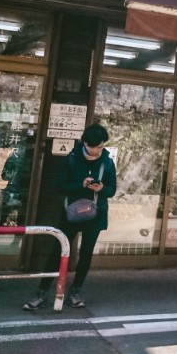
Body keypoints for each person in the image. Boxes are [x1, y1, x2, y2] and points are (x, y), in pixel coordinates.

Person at [23, 123, 117, 310]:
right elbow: (60, 186)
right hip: (71, 213)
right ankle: (41, 293)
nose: (99, 150)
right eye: (96, 147)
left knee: (86, 254)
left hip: (95, 214)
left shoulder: (107, 162)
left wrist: (101, 189)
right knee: (58, 251)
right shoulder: (73, 158)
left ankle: (75, 292)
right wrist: (80, 185)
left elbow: (112, 190)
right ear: (85, 143)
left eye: (101, 146)